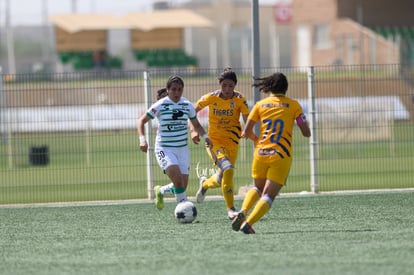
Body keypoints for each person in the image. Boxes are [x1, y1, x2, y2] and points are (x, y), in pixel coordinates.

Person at [232, 72, 311, 234]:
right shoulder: (294, 105)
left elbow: (246, 132)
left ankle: (243, 210)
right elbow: (305, 131)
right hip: (280, 155)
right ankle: (248, 223)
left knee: (257, 188)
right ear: (286, 88)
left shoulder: (260, 105)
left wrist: (257, 140)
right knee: (268, 195)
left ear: (269, 88)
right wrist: (304, 126)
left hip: (260, 153)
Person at [137, 76, 213, 210]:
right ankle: (183, 210)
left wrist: (205, 136)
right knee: (178, 181)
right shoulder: (161, 104)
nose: (177, 92)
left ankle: (160, 191)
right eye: (173, 89)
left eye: (179, 89)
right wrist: (142, 140)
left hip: (182, 149)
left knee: (182, 185)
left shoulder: (187, 105)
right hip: (165, 149)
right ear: (168, 90)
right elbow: (141, 121)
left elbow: (196, 124)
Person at [191, 67, 250, 220]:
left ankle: (204, 184)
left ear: (235, 85)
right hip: (213, 142)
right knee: (228, 168)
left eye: (230, 86)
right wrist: (194, 130)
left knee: (221, 178)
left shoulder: (240, 99)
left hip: (232, 142)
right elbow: (192, 111)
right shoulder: (211, 98)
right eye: (224, 85)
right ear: (219, 84)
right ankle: (231, 209)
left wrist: (247, 130)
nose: (227, 89)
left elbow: (246, 117)